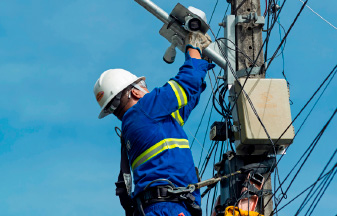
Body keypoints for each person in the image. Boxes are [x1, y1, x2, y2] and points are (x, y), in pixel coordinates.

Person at [93, 32, 214, 216]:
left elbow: (185, 101)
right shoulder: (144, 109)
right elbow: (187, 82)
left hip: (159, 207)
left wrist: (200, 64)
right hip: (168, 207)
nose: (148, 90)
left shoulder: (138, 125)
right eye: (144, 86)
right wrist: (193, 48)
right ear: (135, 93)